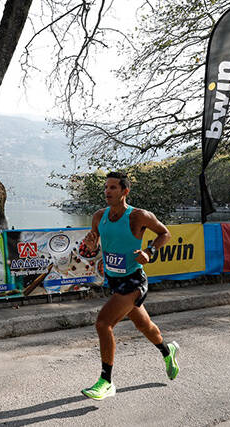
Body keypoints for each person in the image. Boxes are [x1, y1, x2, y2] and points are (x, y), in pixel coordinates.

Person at [79, 171, 180, 400]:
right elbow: (93, 249)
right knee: (145, 326)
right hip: (114, 281)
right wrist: (92, 247)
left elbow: (165, 233)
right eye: (106, 187)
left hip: (134, 280)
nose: (107, 191)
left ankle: (106, 381)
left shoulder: (138, 216)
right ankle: (168, 351)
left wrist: (149, 252)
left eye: (113, 187)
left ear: (125, 191)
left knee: (103, 323)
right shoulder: (99, 216)